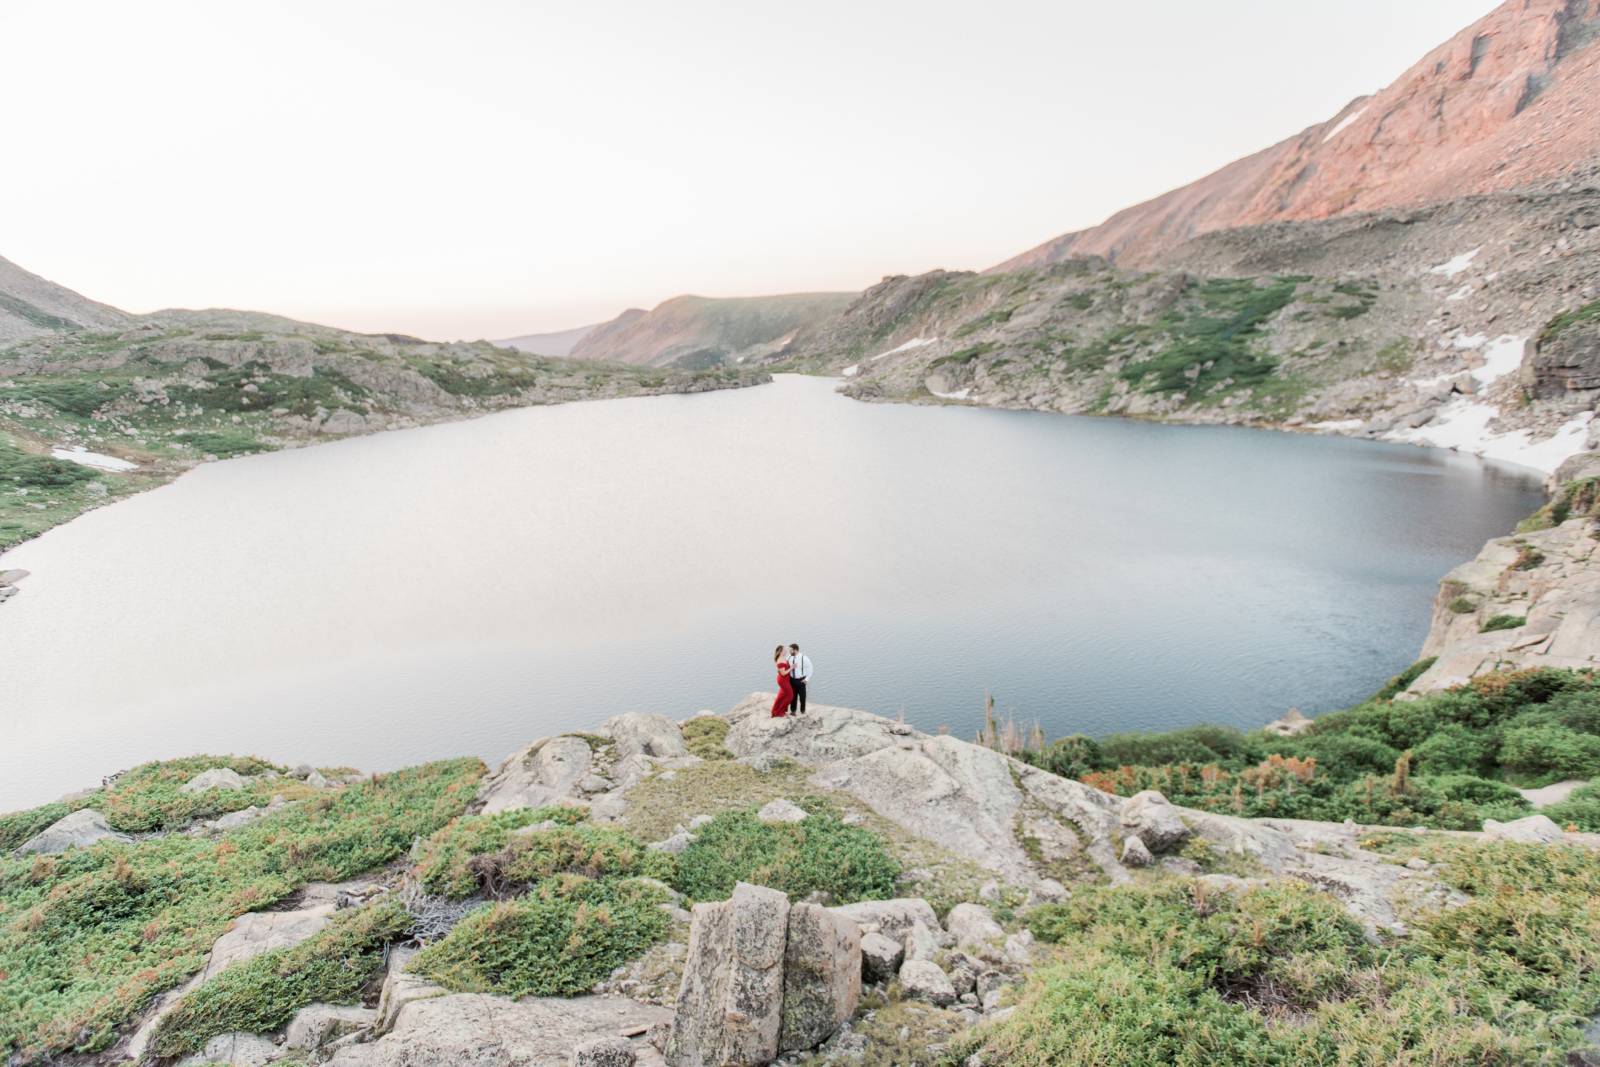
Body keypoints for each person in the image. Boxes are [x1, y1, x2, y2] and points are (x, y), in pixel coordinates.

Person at [787, 643, 813, 714]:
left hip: (801, 680)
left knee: (802, 697)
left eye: (790, 650)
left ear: (795, 650)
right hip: (792, 680)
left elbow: (810, 668)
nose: (789, 652)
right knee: (793, 696)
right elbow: (786, 666)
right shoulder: (789, 657)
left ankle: (802, 711)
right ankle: (793, 711)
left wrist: (807, 679)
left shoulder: (804, 658)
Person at [771, 645, 793, 718]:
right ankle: (779, 711)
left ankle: (776, 711)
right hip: (783, 681)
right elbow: (783, 673)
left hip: (785, 679)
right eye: (784, 650)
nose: (786, 651)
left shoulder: (783, 658)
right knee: (790, 695)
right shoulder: (780, 660)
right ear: (781, 652)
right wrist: (791, 668)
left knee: (781, 696)